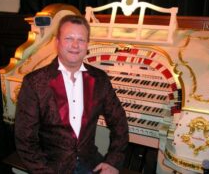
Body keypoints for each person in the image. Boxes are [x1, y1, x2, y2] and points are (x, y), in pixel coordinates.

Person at [15, 14, 129, 174]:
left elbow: (119, 122)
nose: (75, 45)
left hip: (90, 163)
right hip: (51, 167)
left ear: (87, 44)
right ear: (57, 43)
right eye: (69, 38)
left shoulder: (99, 79)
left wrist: (113, 161)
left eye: (81, 40)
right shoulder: (34, 82)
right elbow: (25, 139)